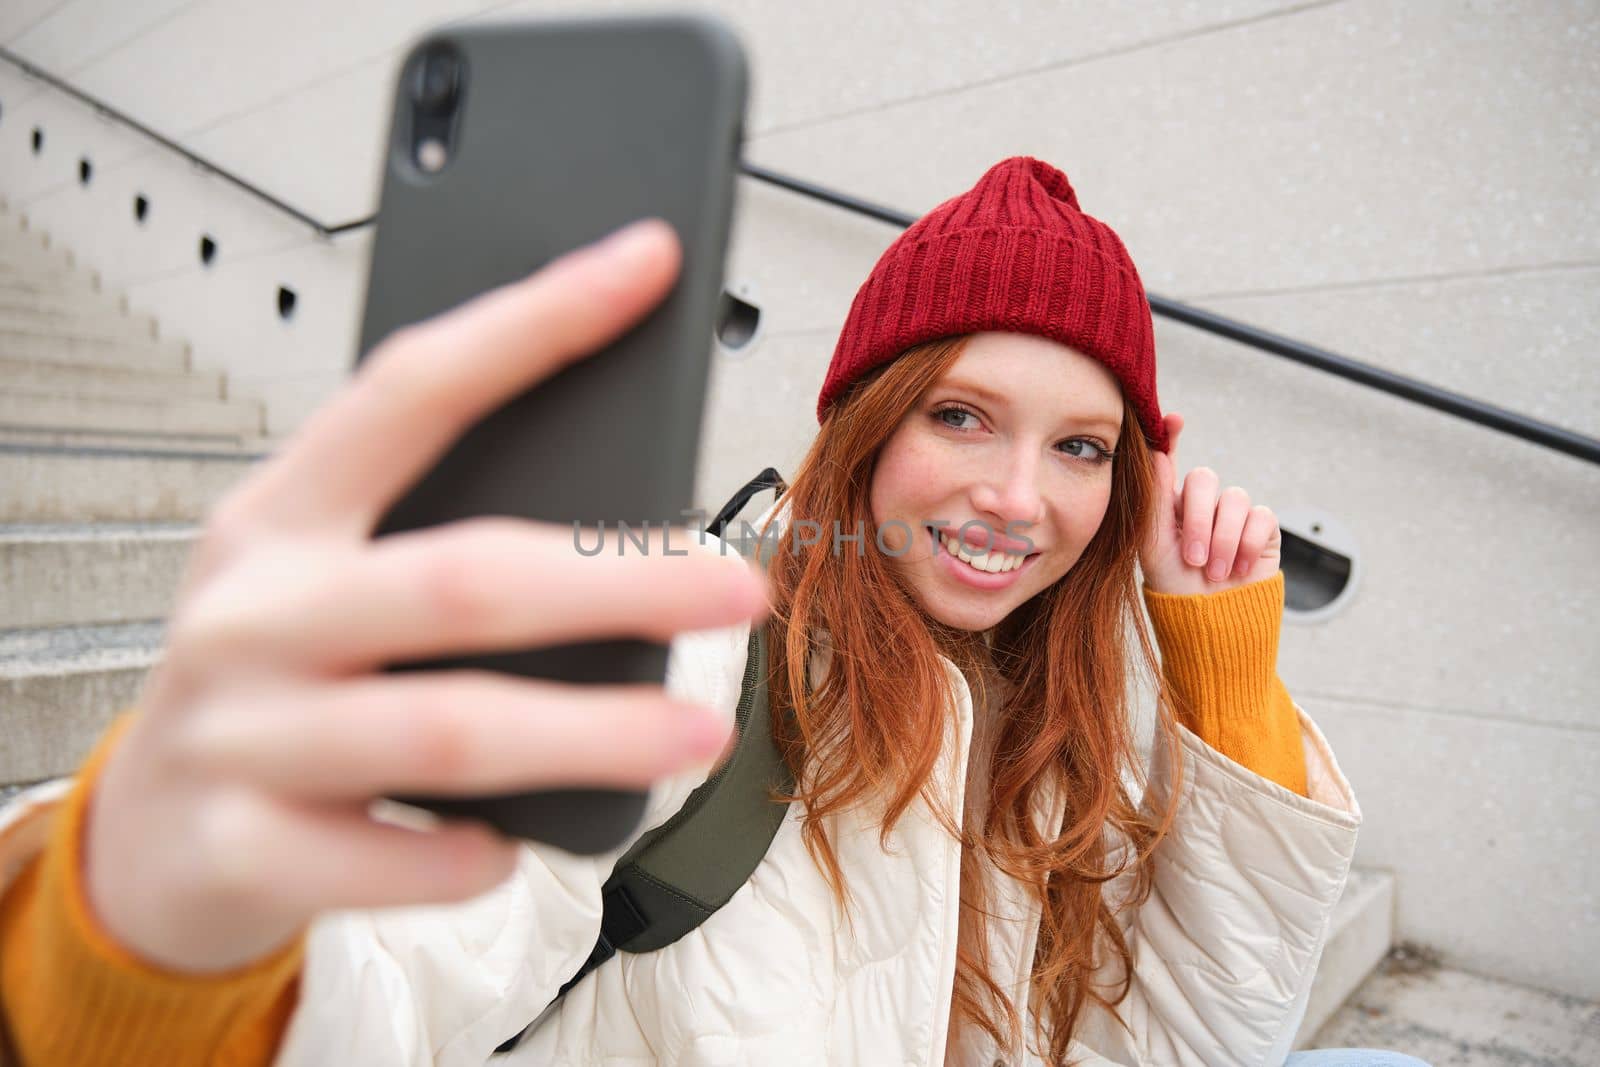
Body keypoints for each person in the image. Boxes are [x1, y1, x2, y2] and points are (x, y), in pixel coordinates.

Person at [0, 156, 1428, 1067]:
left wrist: (1225, 689)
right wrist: (138, 923)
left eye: (1080, 446)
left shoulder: (1053, 713)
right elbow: (387, 975)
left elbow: (1176, 1047)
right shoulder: (694, 637)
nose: (1016, 495)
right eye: (960, 414)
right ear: (864, 424)